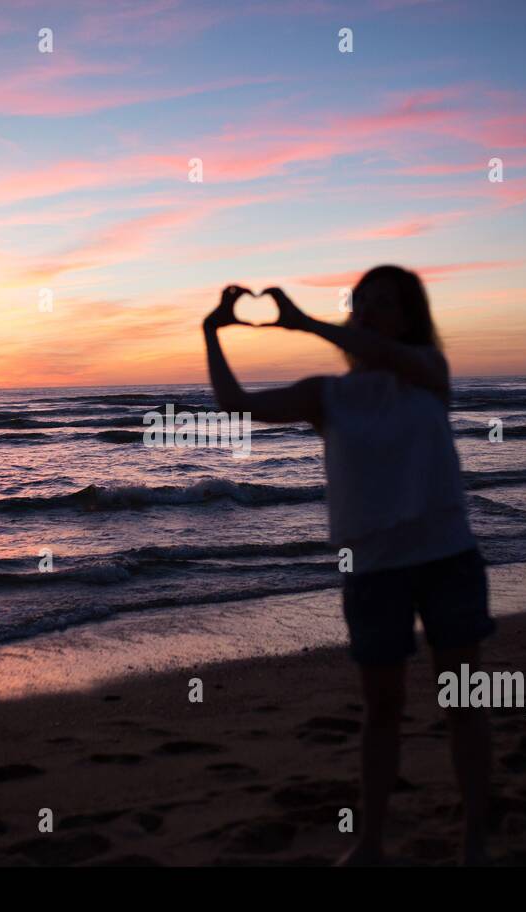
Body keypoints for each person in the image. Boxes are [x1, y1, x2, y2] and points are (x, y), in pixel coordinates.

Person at [201, 266, 495, 865]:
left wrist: (304, 322)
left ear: (409, 317)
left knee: (464, 704)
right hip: (373, 571)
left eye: (382, 305)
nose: (366, 315)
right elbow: (236, 405)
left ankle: (475, 843)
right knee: (382, 711)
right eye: (360, 305)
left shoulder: (429, 377)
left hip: (448, 559)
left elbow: (383, 352)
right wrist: (212, 332)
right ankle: (371, 843)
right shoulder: (328, 395)